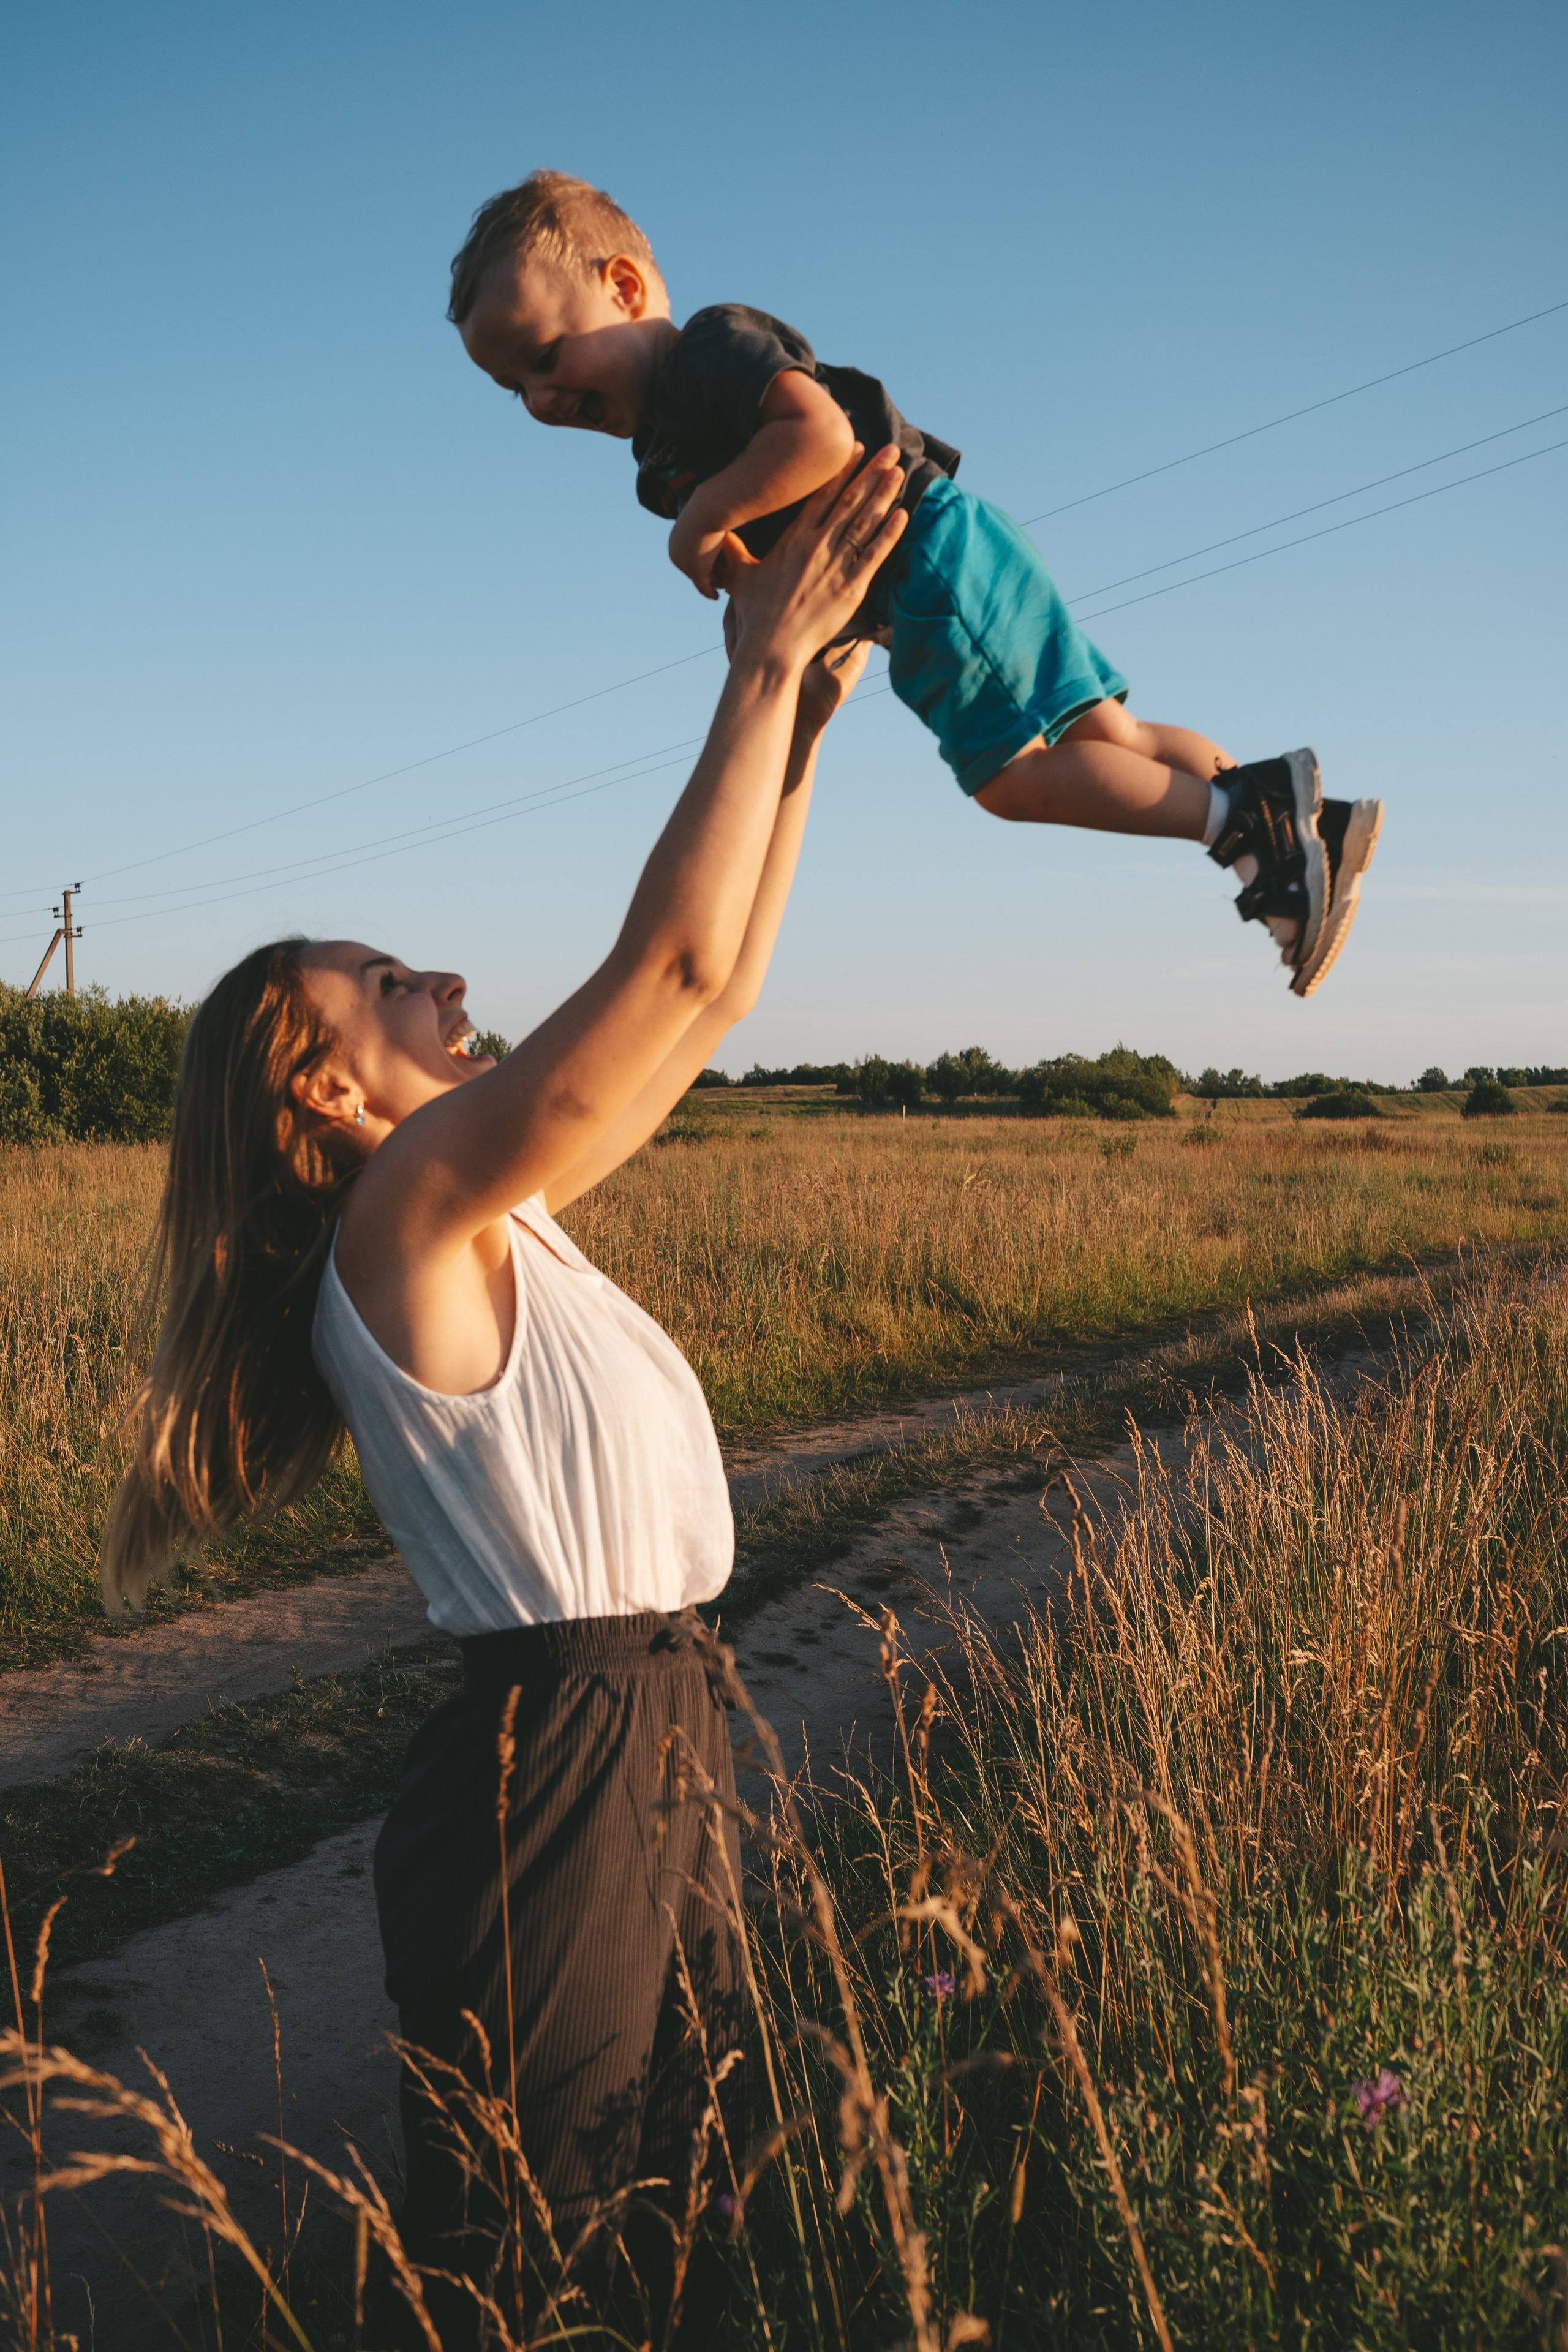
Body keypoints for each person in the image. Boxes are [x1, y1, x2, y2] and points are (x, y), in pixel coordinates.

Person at [99, 448, 909, 2347]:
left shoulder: (494, 1219)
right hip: (560, 1752)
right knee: (555, 2255)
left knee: (688, 2193)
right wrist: (751, 672)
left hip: (654, 1712)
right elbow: (675, 957)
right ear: (319, 1090)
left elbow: (705, 1000)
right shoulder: (404, 1218)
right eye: (386, 982)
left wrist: (800, 722)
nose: (446, 977)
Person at [448, 168, 1385, 1001]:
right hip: (951, 552)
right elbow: (772, 574)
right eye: (511, 390)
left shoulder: (706, 354)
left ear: (621, 287)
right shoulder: (664, 455)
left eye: (544, 357)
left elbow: (819, 440)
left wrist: (703, 522)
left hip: (926, 555)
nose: (539, 400)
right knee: (1112, 737)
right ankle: (1308, 822)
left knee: (1011, 782)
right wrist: (752, 604)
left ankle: (1246, 827)